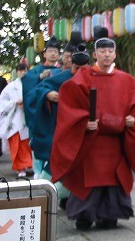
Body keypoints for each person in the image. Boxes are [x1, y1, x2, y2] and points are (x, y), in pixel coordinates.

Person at [51, 29, 135, 230]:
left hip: (115, 143)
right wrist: (83, 122)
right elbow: (69, 105)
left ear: (115, 54)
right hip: (91, 142)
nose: (106, 54)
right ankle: (84, 215)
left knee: (113, 179)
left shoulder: (126, 80)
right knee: (90, 179)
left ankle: (110, 215)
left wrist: (134, 119)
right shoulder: (83, 77)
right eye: (102, 51)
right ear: (95, 54)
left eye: (109, 51)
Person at [26, 43, 91, 204]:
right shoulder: (61, 77)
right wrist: (47, 93)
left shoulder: (96, 78)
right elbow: (34, 93)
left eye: (83, 69)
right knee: (57, 163)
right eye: (76, 68)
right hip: (63, 131)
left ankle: (71, 199)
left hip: (87, 132)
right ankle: (44, 196)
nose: (79, 73)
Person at [22, 36, 64, 177]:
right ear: (44, 53)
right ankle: (38, 179)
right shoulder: (36, 71)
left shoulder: (64, 71)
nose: (53, 54)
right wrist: (39, 78)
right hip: (39, 118)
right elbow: (28, 90)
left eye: (56, 51)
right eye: (50, 51)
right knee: (39, 154)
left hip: (56, 119)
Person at [0, 61, 33, 177]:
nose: (23, 73)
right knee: (16, 144)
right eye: (21, 70)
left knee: (27, 144)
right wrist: (14, 103)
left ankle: (28, 165)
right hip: (14, 120)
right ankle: (20, 167)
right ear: (17, 72)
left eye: (25, 70)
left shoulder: (32, 85)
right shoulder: (10, 87)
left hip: (27, 119)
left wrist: (26, 104)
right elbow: (2, 103)